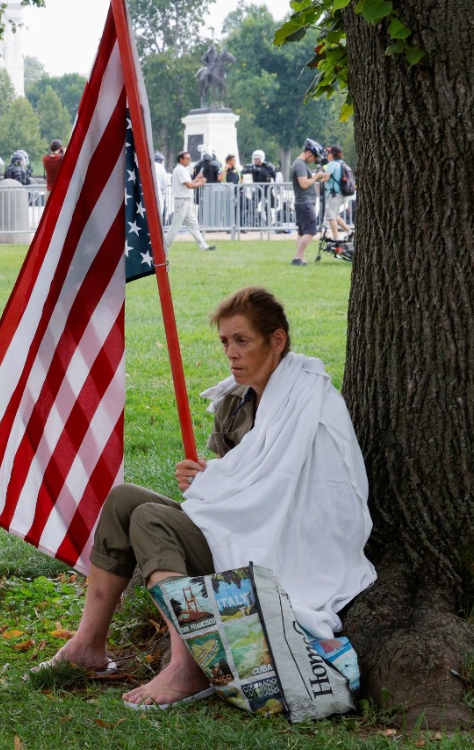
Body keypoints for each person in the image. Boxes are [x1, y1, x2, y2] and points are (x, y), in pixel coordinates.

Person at [34, 287, 373, 710]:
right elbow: (237, 479)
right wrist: (204, 479)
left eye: (242, 340)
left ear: (278, 340)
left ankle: (190, 666)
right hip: (237, 531)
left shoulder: (309, 401)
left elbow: (310, 495)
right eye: (225, 342)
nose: (231, 353)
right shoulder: (235, 401)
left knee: (150, 520)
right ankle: (87, 644)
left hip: (278, 548)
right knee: (124, 500)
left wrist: (218, 483)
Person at [168, 151, 213, 252]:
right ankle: (164, 247)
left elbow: (189, 183)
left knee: (193, 225)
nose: (189, 160)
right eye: (187, 158)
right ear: (181, 159)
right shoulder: (180, 170)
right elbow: (189, 185)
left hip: (186, 201)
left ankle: (203, 246)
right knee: (175, 226)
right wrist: (200, 183)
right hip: (182, 201)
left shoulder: (183, 170)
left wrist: (197, 180)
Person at [290, 139, 323, 266]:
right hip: (305, 202)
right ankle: (297, 258)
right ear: (309, 153)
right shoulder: (300, 164)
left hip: (303, 202)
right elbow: (303, 184)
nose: (314, 160)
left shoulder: (301, 164)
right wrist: (317, 176)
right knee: (310, 230)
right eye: (315, 157)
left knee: (302, 232)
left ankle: (300, 258)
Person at [322, 145, 353, 241]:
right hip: (342, 193)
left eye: (329, 153)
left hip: (334, 194)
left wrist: (320, 177)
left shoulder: (331, 164)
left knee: (330, 215)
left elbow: (326, 178)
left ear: (332, 154)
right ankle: (349, 232)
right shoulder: (342, 163)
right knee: (334, 215)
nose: (327, 155)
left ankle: (336, 237)